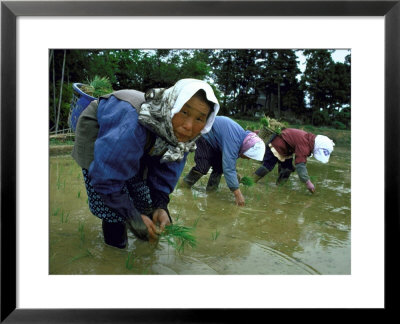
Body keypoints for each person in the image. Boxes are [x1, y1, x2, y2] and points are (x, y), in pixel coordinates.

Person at [71, 79, 220, 249]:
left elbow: (168, 168)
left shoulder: (185, 137)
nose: (189, 126)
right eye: (184, 112)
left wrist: (161, 205)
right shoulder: (134, 121)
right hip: (102, 131)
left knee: (145, 200)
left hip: (140, 140)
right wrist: (132, 217)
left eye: (200, 119)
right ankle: (114, 252)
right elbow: (106, 177)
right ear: (173, 105)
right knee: (112, 209)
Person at [182, 116, 265, 206]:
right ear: (246, 148)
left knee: (219, 167)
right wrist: (238, 194)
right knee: (203, 166)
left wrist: (235, 174)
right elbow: (229, 168)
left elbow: (227, 163)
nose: (248, 159)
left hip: (217, 142)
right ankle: (184, 187)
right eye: (249, 156)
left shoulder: (242, 140)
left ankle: (211, 192)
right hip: (206, 136)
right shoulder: (234, 142)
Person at [252, 128, 335, 193]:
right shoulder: (305, 144)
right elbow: (300, 164)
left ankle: (279, 188)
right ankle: (251, 181)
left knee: (287, 169)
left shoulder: (309, 140)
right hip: (277, 144)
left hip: (287, 149)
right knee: (268, 165)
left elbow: (299, 159)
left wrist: (293, 167)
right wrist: (307, 182)